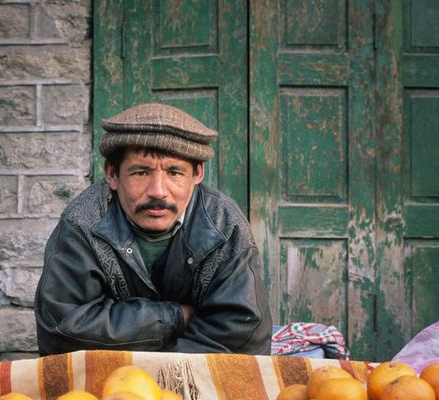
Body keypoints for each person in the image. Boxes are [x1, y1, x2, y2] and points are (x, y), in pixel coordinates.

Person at [34, 102, 271, 355]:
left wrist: (161, 375)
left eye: (174, 172)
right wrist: (175, 317)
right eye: (140, 172)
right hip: (114, 386)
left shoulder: (224, 225)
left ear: (197, 174)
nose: (158, 191)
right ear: (112, 174)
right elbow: (63, 326)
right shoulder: (83, 223)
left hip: (182, 384)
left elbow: (241, 331)